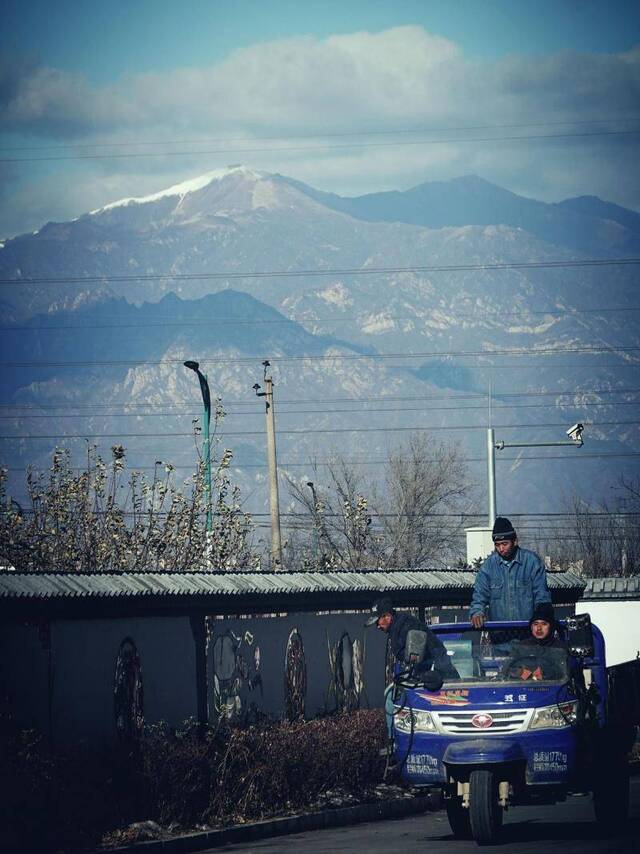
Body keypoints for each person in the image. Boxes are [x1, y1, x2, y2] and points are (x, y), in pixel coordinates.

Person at [470, 516, 551, 628]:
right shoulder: (487, 567)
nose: (501, 549)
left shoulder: (532, 562)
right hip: (499, 637)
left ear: (515, 541)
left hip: (527, 635)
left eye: (505, 544)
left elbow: (542, 597)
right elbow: (479, 596)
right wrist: (477, 612)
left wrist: (541, 619)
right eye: (497, 545)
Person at [365, 597, 458, 680]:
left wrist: (414, 666)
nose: (377, 626)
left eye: (378, 622)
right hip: (424, 674)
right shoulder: (397, 628)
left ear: (388, 617)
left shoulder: (406, 626)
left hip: (437, 676)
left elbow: (415, 656)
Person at [503, 602, 568, 681]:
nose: (539, 628)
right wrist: (523, 673)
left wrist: (544, 674)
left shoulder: (561, 648)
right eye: (535, 624)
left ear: (551, 627)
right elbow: (506, 669)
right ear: (531, 627)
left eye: (544, 624)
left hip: (552, 689)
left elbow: (566, 673)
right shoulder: (521, 647)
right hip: (523, 688)